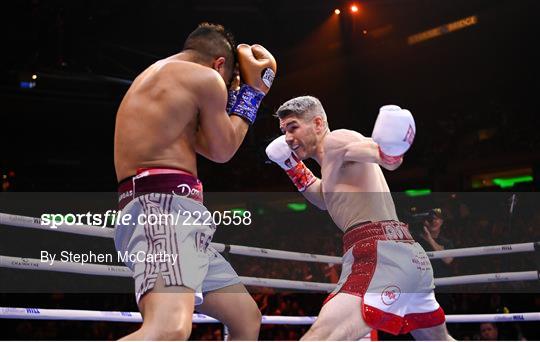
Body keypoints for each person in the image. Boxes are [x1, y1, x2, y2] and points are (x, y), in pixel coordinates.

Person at [114, 22, 276, 340]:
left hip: (165, 213)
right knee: (169, 329)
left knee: (245, 319)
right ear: (218, 64)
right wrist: (253, 94)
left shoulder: (158, 76)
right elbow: (223, 149)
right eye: (228, 83)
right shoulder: (204, 78)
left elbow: (205, 142)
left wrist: (231, 95)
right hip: (164, 213)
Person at [266, 96, 453, 340]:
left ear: (318, 124)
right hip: (404, 255)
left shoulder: (336, 141)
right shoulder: (331, 168)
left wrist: (390, 150)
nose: (288, 138)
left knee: (320, 337)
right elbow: (323, 199)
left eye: (293, 127)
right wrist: (293, 168)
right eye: (283, 131)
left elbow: (378, 154)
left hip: (380, 255)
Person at [417, 209, 454, 277]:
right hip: (423, 281)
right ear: (424, 222)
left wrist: (429, 238)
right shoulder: (417, 242)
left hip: (443, 282)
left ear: (441, 221)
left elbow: (448, 260)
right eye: (430, 219)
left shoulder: (446, 242)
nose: (433, 221)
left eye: (436, 219)